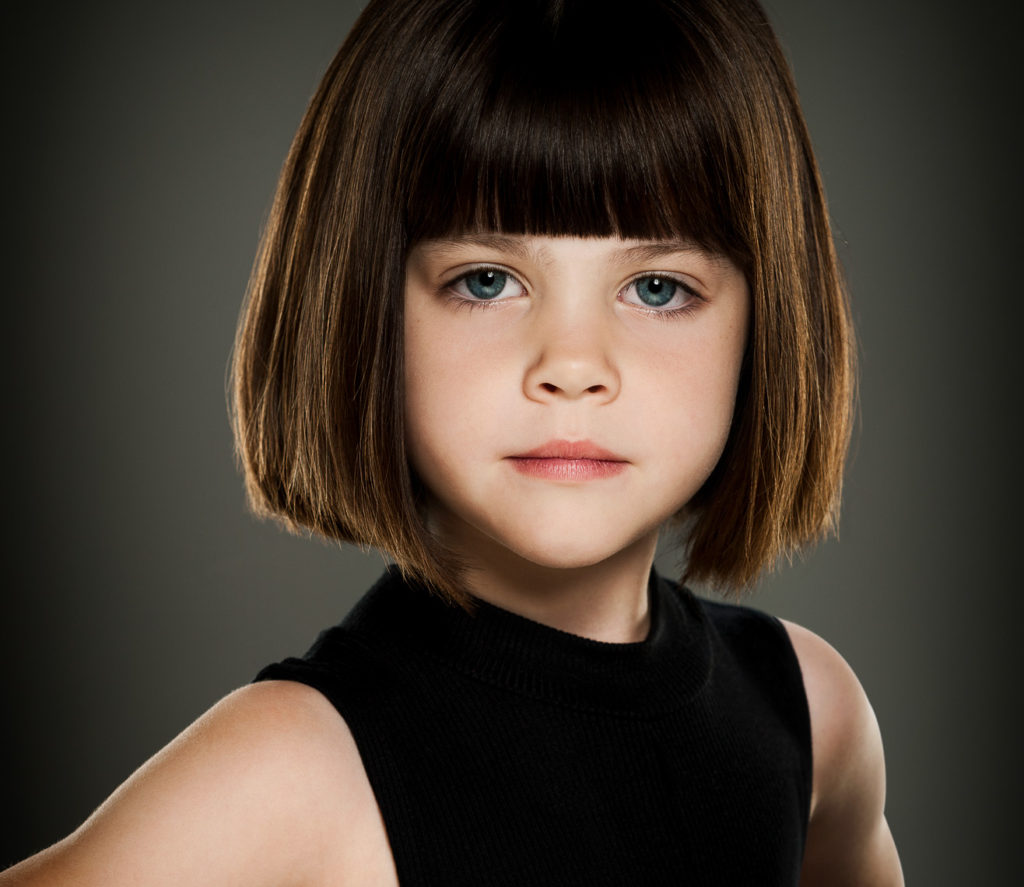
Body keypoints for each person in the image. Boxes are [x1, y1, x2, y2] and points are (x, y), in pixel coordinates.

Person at [1, 0, 904, 884]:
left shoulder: (810, 711)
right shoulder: (292, 774)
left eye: (658, 287)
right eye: (486, 279)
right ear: (367, 304)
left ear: (765, 319)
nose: (573, 365)